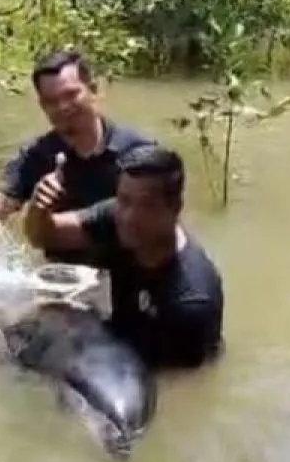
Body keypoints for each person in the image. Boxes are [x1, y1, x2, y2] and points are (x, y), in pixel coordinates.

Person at [22, 143, 224, 369]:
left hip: (158, 359)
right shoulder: (118, 219)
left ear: (175, 208)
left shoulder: (190, 302)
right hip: (122, 337)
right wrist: (39, 208)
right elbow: (45, 237)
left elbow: (176, 383)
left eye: (147, 205)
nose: (129, 217)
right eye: (124, 200)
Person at [0, 49, 153, 265]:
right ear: (43, 106)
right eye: (52, 101)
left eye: (71, 95)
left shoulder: (139, 154)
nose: (63, 107)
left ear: (93, 90)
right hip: (61, 274)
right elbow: (3, 203)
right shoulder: (38, 155)